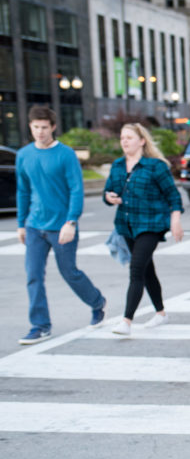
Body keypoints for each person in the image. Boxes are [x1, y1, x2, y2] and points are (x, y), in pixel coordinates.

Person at [15, 106, 106, 344]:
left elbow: (77, 190)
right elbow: (23, 191)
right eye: (36, 127)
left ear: (53, 127)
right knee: (33, 275)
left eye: (45, 127)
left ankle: (97, 302)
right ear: (30, 127)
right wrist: (21, 224)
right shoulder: (24, 155)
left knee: (69, 272)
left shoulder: (65, 155)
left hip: (61, 226)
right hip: (34, 225)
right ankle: (40, 325)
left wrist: (71, 221)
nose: (40, 132)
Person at [103, 124, 184, 335]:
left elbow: (173, 196)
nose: (125, 141)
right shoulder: (118, 165)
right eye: (122, 137)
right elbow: (108, 191)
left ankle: (126, 321)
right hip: (126, 225)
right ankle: (161, 314)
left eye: (129, 137)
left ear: (142, 141)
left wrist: (175, 220)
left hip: (151, 224)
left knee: (136, 269)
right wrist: (109, 197)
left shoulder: (155, 166)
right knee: (147, 270)